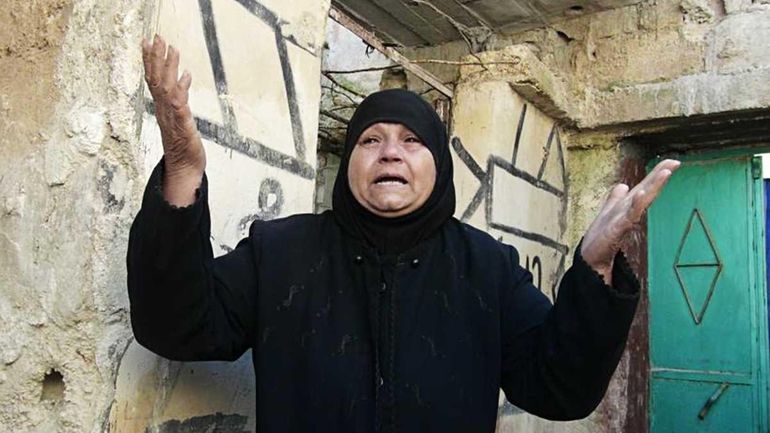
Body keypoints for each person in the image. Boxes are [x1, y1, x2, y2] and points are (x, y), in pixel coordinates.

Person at [127, 35, 680, 433]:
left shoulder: (486, 268)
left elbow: (558, 390)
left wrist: (595, 267)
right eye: (370, 139)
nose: (390, 150)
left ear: (438, 164)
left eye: (411, 140)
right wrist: (181, 168)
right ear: (348, 165)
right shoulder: (280, 253)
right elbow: (178, 328)